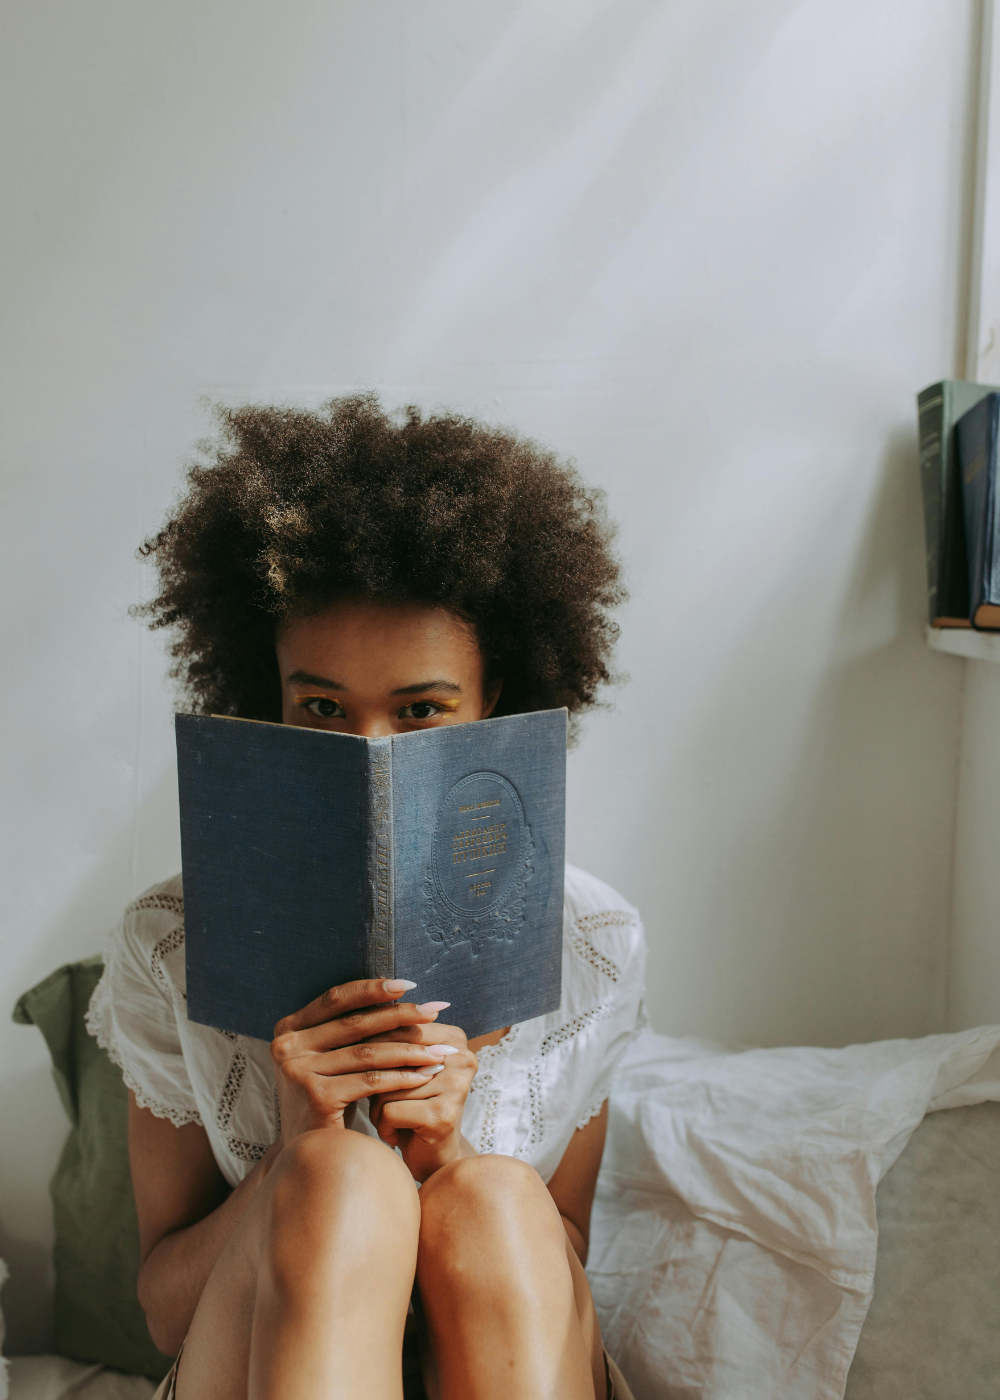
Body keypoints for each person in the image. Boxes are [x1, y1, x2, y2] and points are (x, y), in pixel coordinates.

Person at [87, 395, 647, 1400]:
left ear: (495, 705)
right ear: (268, 702)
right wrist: (294, 1152)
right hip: (255, 1360)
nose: (371, 751)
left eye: (423, 708)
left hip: (509, 1355)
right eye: (324, 707)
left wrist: (449, 1149)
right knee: (336, 1181)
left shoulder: (590, 938)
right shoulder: (167, 942)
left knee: (490, 1200)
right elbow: (167, 1309)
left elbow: (559, 1252)